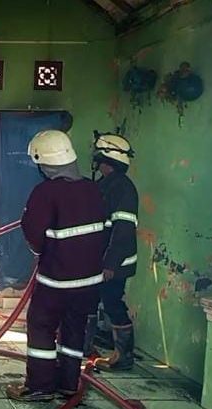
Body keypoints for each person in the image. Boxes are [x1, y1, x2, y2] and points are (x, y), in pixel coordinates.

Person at [6, 130, 107, 402]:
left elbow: (33, 233)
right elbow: (105, 231)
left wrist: (41, 252)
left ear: (44, 162)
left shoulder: (46, 192)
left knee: (41, 326)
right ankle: (68, 384)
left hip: (56, 280)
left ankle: (40, 386)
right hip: (90, 281)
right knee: (75, 329)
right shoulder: (93, 189)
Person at [85, 132, 138, 371]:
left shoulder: (122, 188)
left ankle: (124, 357)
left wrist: (110, 264)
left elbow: (123, 230)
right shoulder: (105, 185)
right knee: (88, 300)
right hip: (99, 259)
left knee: (112, 302)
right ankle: (83, 348)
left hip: (114, 263)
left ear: (106, 160)